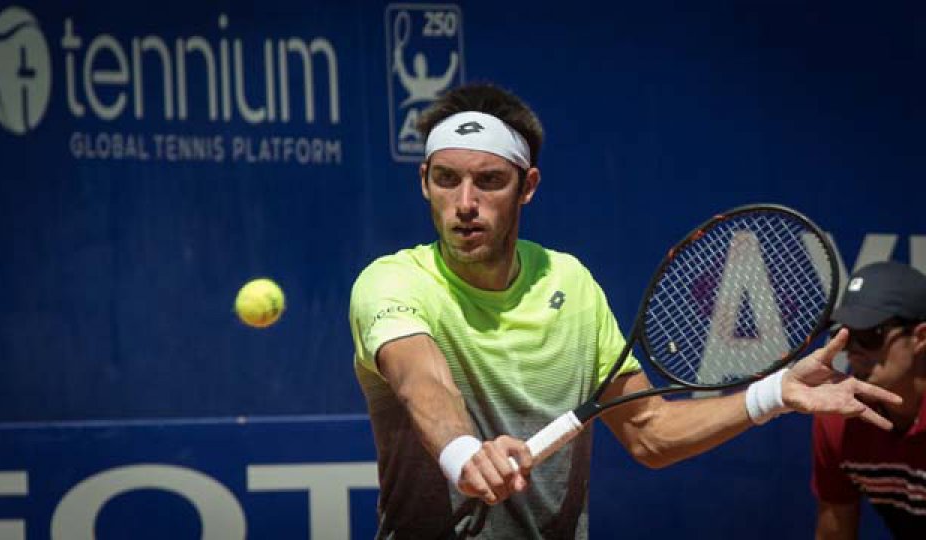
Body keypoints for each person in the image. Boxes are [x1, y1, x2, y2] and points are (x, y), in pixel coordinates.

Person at [349, 82, 900, 539]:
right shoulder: (391, 282)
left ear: (527, 187)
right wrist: (464, 453)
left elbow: (649, 433)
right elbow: (421, 381)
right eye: (446, 179)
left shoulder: (571, 285)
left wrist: (774, 394)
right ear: (425, 182)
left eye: (489, 181)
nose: (465, 203)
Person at [812, 261, 926, 539]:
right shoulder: (838, 416)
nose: (853, 352)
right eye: (845, 337)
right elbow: (835, 529)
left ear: (920, 337)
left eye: (869, 335)